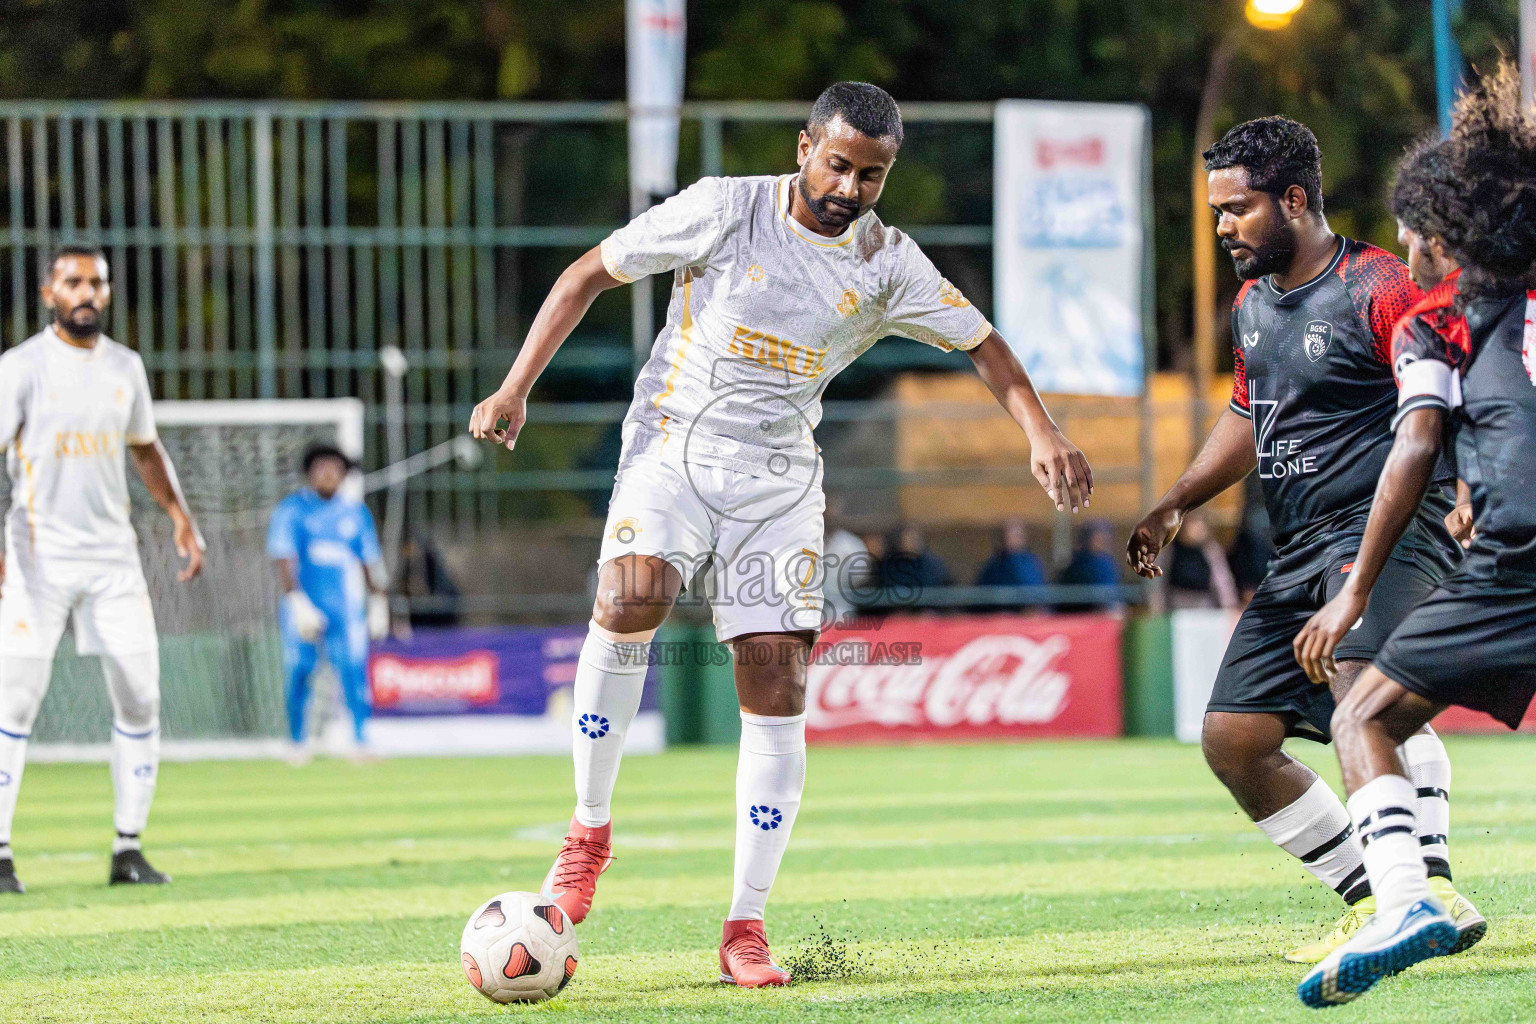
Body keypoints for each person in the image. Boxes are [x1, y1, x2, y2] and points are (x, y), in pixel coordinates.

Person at [468, 81, 1092, 986]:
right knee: (632, 594)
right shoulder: (724, 207)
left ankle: (744, 927)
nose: (849, 188)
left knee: (774, 675)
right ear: (805, 147)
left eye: (871, 176)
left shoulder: (889, 262)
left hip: (778, 482)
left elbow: (985, 346)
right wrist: (515, 385)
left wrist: (1042, 429)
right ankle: (587, 832)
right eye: (838, 164)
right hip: (672, 448)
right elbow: (585, 276)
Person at [1124, 116, 1481, 965]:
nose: (1220, 227)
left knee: (1365, 689)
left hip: (1391, 530)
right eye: (1215, 211)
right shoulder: (1252, 306)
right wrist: (1176, 500)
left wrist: (1471, 488)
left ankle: (1421, 891)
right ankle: (1379, 896)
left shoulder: (1381, 285)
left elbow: (1448, 390)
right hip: (1297, 549)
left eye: (1236, 209)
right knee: (1233, 740)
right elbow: (1250, 416)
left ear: (1294, 199)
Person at [1290, 65, 1535, 1007]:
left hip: (1520, 557)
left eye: (1410, 230)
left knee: (1364, 715)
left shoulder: (1434, 322)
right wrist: (1480, 480)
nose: (1400, 245)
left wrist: (1355, 589)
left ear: (1446, 237)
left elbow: (1415, 441)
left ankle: (1406, 901)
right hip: (1508, 520)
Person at [0, 246, 204, 893]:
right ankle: (0, 852)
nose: (86, 292)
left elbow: (144, 448)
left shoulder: (125, 367)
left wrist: (178, 513)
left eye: (97, 282)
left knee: (141, 693)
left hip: (113, 557)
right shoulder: (21, 368)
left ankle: (128, 848)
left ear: (108, 293)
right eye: (73, 281)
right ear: (48, 292)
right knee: (17, 698)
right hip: (37, 556)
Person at [267, 445, 389, 759]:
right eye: (321, 467)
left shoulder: (354, 513)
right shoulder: (293, 510)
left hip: (343, 609)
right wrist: (296, 600)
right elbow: (283, 558)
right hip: (303, 606)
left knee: (352, 670)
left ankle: (360, 740)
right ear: (309, 472)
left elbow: (368, 560)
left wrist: (378, 601)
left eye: (335, 468)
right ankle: (297, 742)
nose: (328, 473)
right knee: (299, 669)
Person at [1164, 511, 1239, 610]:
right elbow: (1159, 582)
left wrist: (1230, 606)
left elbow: (1222, 580)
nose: (1196, 529)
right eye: (1192, 524)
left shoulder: (1210, 549)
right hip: (1176, 603)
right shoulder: (1171, 550)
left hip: (1204, 604)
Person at [976, 518, 1047, 590]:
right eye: (1007, 534)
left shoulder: (1031, 564)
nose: (1014, 539)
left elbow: (1035, 590)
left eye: (1018, 535)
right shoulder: (994, 565)